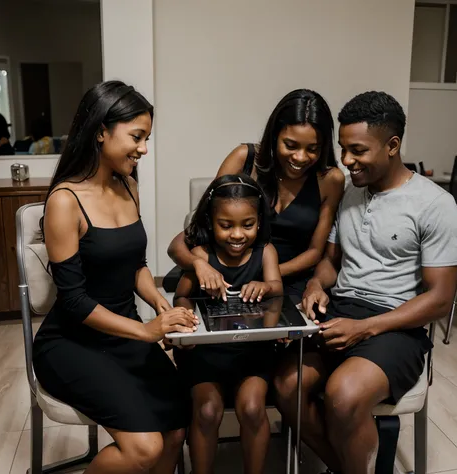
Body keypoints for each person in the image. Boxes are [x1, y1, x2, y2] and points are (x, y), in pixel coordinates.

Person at [274, 91, 457, 474]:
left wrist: (365, 328)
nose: (345, 161)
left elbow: (441, 299)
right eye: (343, 148)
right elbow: (330, 261)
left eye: (358, 150)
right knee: (286, 387)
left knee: (343, 395)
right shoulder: (351, 194)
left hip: (396, 324)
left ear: (392, 145)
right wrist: (315, 287)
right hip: (341, 312)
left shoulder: (434, 204)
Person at [33, 80, 198, 474]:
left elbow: (136, 265)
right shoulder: (65, 201)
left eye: (147, 138)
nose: (144, 149)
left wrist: (158, 300)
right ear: (101, 131)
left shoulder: (128, 185)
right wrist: (147, 331)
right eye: (137, 137)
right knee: (142, 448)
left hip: (122, 334)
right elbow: (73, 302)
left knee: (177, 426)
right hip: (73, 343)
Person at [168, 89, 345, 303]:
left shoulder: (330, 179)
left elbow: (315, 252)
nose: (300, 157)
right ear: (274, 135)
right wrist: (205, 266)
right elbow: (192, 234)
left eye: (313, 149)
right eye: (290, 145)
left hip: (288, 282)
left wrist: (267, 276)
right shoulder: (244, 159)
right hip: (227, 277)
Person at [172, 174, 283, 474]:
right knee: (207, 412)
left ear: (259, 222)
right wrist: (188, 322)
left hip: (252, 353)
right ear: (211, 222)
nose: (237, 234)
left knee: (251, 408)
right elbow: (181, 297)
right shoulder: (202, 255)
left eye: (247, 225)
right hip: (206, 354)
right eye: (226, 225)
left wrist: (265, 286)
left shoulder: (265, 252)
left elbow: (277, 287)